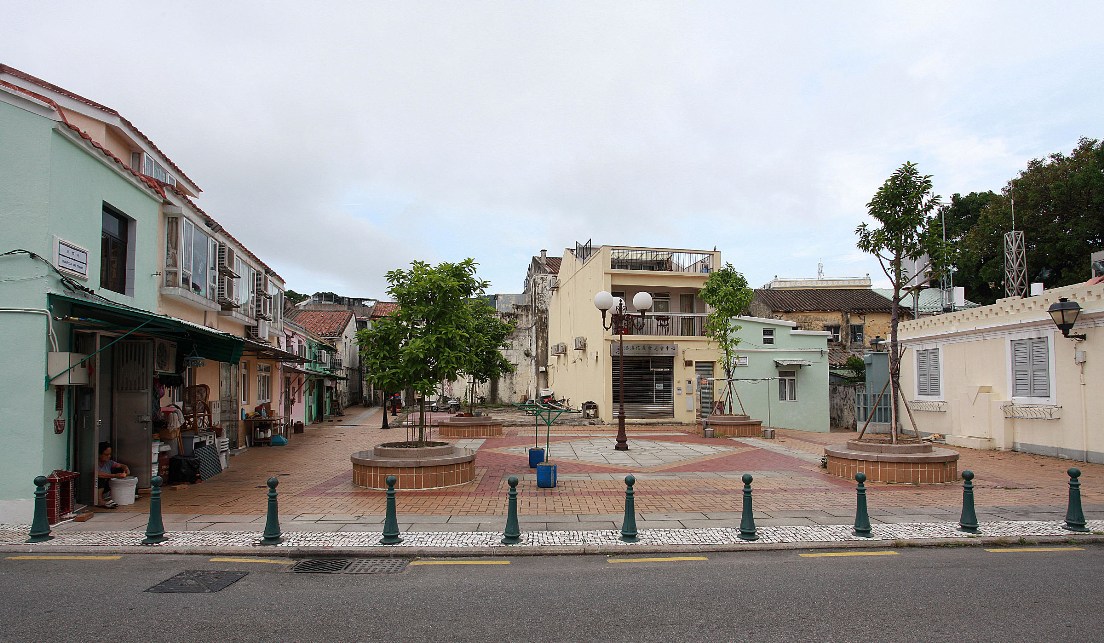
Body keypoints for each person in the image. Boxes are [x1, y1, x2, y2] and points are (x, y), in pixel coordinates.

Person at [97, 441, 130, 508]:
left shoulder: (109, 463)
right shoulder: (94, 463)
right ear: (99, 454)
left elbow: (120, 465)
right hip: (94, 487)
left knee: (118, 470)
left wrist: (126, 468)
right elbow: (97, 474)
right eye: (106, 455)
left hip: (106, 487)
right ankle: (99, 500)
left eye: (109, 454)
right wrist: (115, 475)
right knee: (101, 478)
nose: (109, 456)